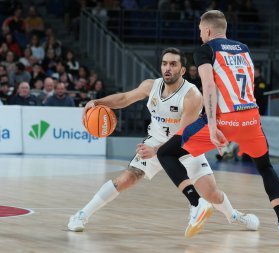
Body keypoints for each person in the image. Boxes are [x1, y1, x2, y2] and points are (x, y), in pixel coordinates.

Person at [68, 48, 259, 236]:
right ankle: (81, 215)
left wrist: (157, 151)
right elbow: (125, 98)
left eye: (173, 64)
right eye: (164, 63)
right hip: (156, 141)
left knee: (212, 194)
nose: (168, 68)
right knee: (127, 178)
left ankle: (233, 216)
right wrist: (98, 102)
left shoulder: (192, 96)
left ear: (182, 70)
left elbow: (182, 137)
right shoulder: (151, 86)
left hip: (184, 146)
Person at [157, 10, 279, 245]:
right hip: (251, 118)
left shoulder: (205, 50)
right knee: (265, 167)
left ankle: (197, 203)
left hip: (225, 118)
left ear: (209, 30)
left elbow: (210, 87)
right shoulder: (243, 48)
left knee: (166, 153)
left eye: (201, 31)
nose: (200, 35)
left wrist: (213, 127)